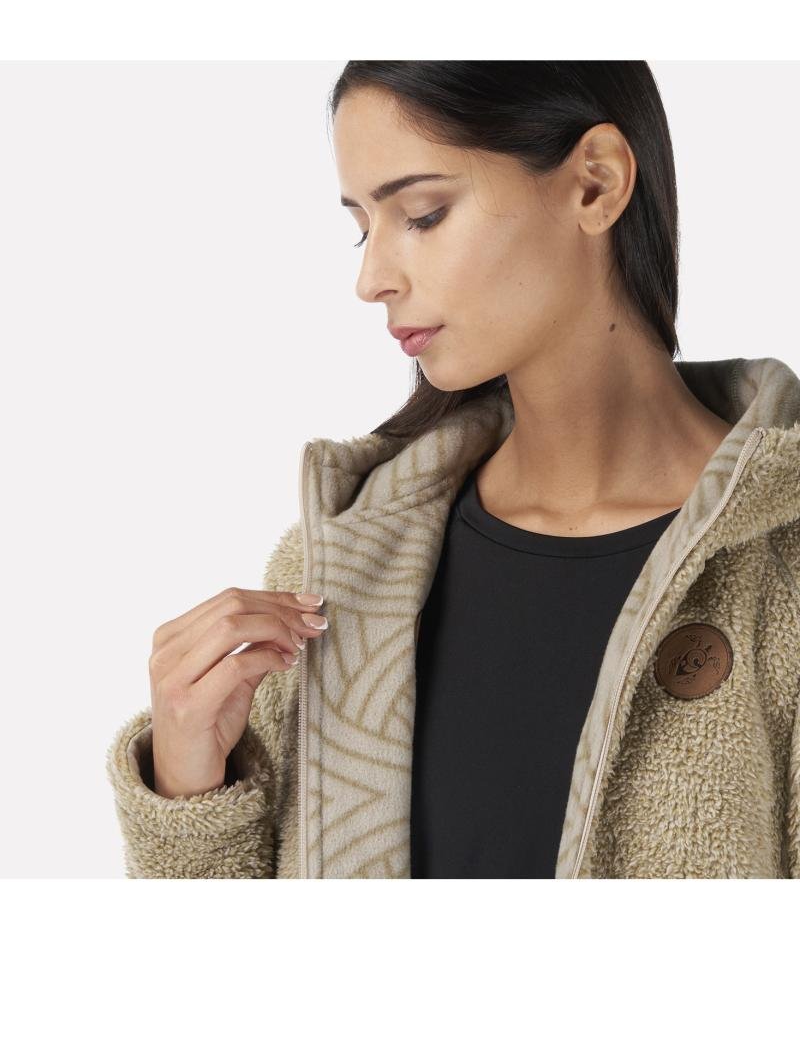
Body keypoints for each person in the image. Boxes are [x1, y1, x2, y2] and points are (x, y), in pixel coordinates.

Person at [106, 61, 800, 878]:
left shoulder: (780, 566)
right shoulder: (336, 572)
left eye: (423, 215)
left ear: (596, 183)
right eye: (363, 227)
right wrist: (188, 785)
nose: (372, 279)